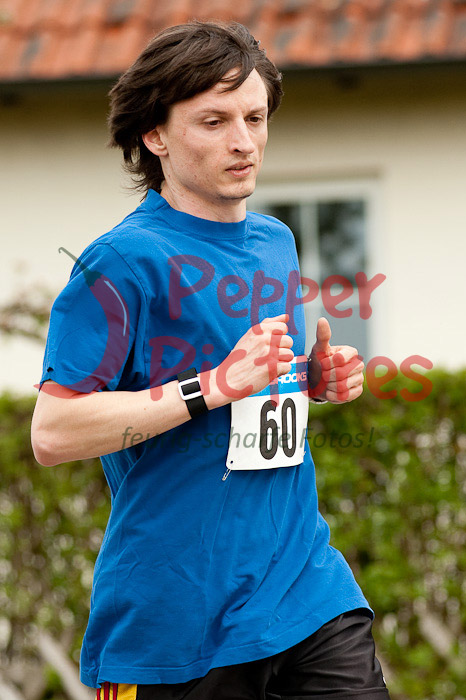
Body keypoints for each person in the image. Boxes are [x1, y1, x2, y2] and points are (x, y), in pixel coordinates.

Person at [31, 20, 390, 700]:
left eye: (255, 118)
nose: (244, 141)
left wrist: (310, 378)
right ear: (155, 135)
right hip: (178, 621)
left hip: (304, 589)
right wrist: (214, 385)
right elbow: (53, 432)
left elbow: (258, 386)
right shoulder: (120, 262)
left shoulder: (276, 242)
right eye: (214, 121)